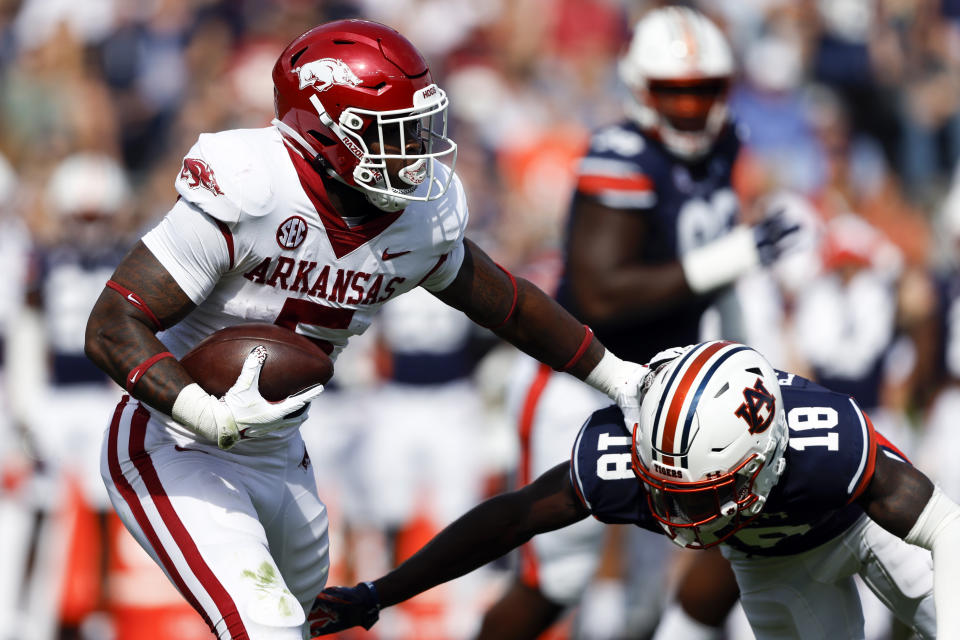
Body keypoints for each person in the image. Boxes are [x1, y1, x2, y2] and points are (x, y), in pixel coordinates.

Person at [83, 19, 652, 640]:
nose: (415, 154)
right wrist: (205, 413)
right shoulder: (252, 186)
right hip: (176, 441)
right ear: (327, 130)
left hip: (280, 451)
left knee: (296, 623)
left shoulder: (417, 222)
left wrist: (621, 379)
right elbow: (113, 325)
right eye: (394, 134)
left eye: (419, 130)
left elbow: (508, 304)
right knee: (264, 625)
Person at [487, 7, 799, 638]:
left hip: (667, 386)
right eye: (675, 93)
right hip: (583, 380)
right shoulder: (619, 156)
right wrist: (727, 256)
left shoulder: (722, 145)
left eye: (704, 91)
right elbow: (601, 296)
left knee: (660, 571)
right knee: (556, 579)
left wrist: (749, 352)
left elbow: (717, 276)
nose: (692, 108)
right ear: (640, 89)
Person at [309, 340, 960, 640]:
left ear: (762, 463)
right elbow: (511, 519)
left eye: (701, 493)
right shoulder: (632, 455)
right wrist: (378, 593)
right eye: (666, 489)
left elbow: (946, 529)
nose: (678, 514)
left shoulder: (830, 446)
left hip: (859, 529)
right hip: (774, 561)